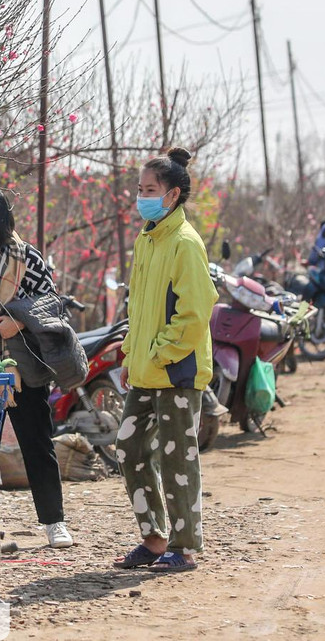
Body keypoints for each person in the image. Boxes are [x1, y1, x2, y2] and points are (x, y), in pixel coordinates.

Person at [112, 147, 217, 574]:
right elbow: (139, 308)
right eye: (139, 189)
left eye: (149, 190)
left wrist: (159, 354)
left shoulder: (184, 243)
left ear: (172, 195)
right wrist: (130, 356)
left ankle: (185, 547)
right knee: (129, 447)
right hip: (145, 370)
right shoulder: (149, 238)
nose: (141, 197)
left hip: (176, 371)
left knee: (178, 459)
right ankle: (155, 538)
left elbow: (195, 313)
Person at [0, 185, 72, 550]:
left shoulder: (25, 256)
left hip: (20, 365)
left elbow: (52, 303)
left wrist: (18, 322)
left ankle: (54, 522)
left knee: (37, 443)